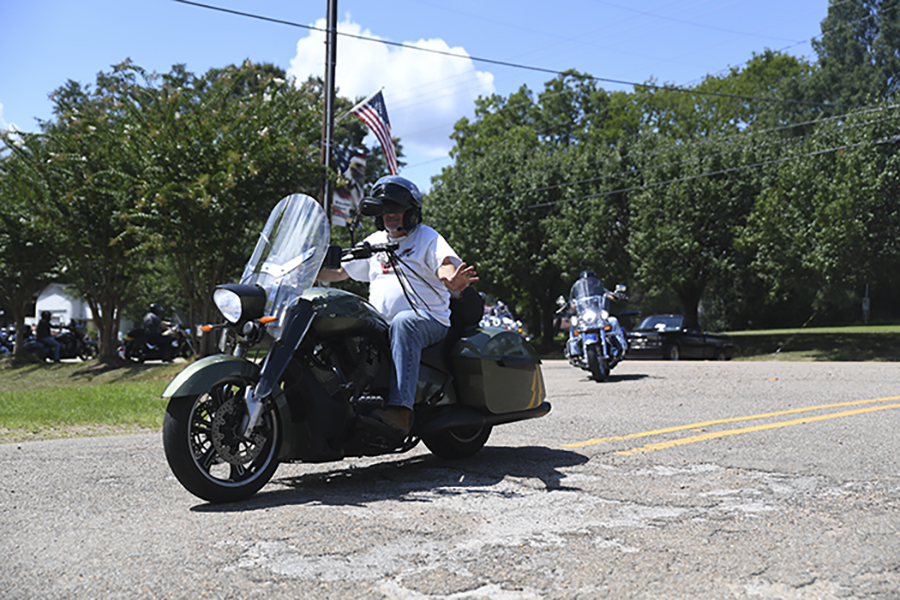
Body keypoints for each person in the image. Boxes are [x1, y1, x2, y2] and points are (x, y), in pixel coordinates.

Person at [317, 175, 478, 436]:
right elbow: (339, 272)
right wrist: (303, 271)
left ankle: (401, 410)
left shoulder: (427, 237)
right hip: (381, 324)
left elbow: (445, 264)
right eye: (385, 209)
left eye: (397, 209)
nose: (390, 215)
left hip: (428, 320)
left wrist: (451, 278)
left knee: (404, 322)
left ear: (411, 212)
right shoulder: (374, 241)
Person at [569, 270, 627, 355]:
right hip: (585, 319)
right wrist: (567, 306)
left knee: (613, 320)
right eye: (586, 281)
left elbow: (610, 295)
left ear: (594, 281)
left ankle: (621, 347)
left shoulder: (601, 290)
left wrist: (616, 295)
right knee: (573, 326)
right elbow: (572, 306)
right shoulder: (579, 295)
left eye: (590, 280)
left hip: (599, 318)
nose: (588, 282)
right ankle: (574, 352)